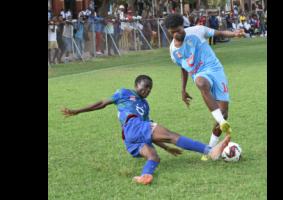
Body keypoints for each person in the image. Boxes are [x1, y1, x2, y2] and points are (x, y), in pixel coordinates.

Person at [61, 75, 231, 185]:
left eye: (150, 89)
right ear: (136, 85)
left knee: (154, 157)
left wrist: (166, 148)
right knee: (171, 135)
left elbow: (150, 132)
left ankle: (145, 176)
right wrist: (77, 111)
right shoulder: (124, 93)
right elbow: (101, 103)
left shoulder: (145, 105)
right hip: (131, 125)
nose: (147, 90)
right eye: (144, 87)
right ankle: (209, 150)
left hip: (132, 138)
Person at [164, 14, 245, 161]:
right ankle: (222, 122)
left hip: (216, 70)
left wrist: (235, 33)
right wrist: (183, 89)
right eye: (173, 32)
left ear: (183, 26)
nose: (176, 33)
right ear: (169, 32)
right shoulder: (173, 52)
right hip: (200, 74)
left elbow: (219, 33)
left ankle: (210, 148)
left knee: (224, 112)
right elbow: (183, 68)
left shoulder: (197, 31)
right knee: (201, 82)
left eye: (179, 30)